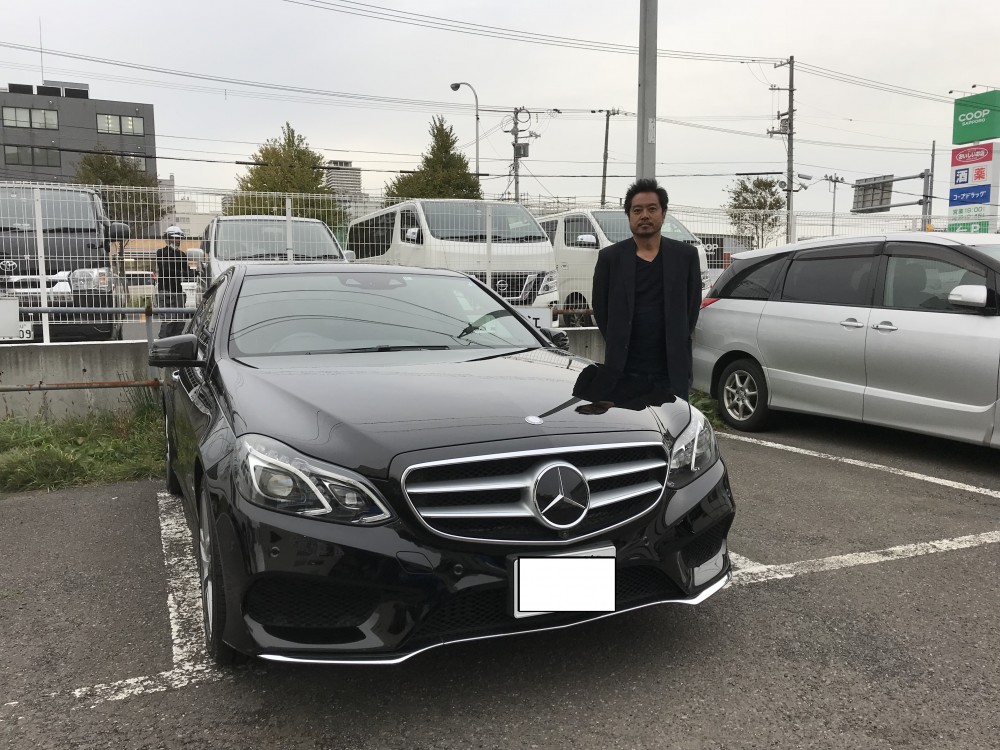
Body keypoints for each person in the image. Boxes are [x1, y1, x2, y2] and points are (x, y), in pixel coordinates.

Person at [591, 178, 702, 401]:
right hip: (624, 370)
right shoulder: (610, 258)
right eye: (637, 210)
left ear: (663, 213)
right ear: (629, 216)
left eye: (652, 209)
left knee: (672, 422)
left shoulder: (685, 256)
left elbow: (691, 309)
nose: (644, 216)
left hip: (671, 372)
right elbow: (601, 310)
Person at [155, 225, 198, 338]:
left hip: (178, 291)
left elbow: (187, 271)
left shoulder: (182, 255)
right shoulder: (161, 252)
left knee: (180, 321)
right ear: (168, 238)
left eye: (179, 238)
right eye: (175, 238)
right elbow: (165, 270)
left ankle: (176, 342)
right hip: (165, 290)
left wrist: (194, 272)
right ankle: (163, 343)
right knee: (168, 320)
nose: (178, 240)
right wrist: (182, 273)